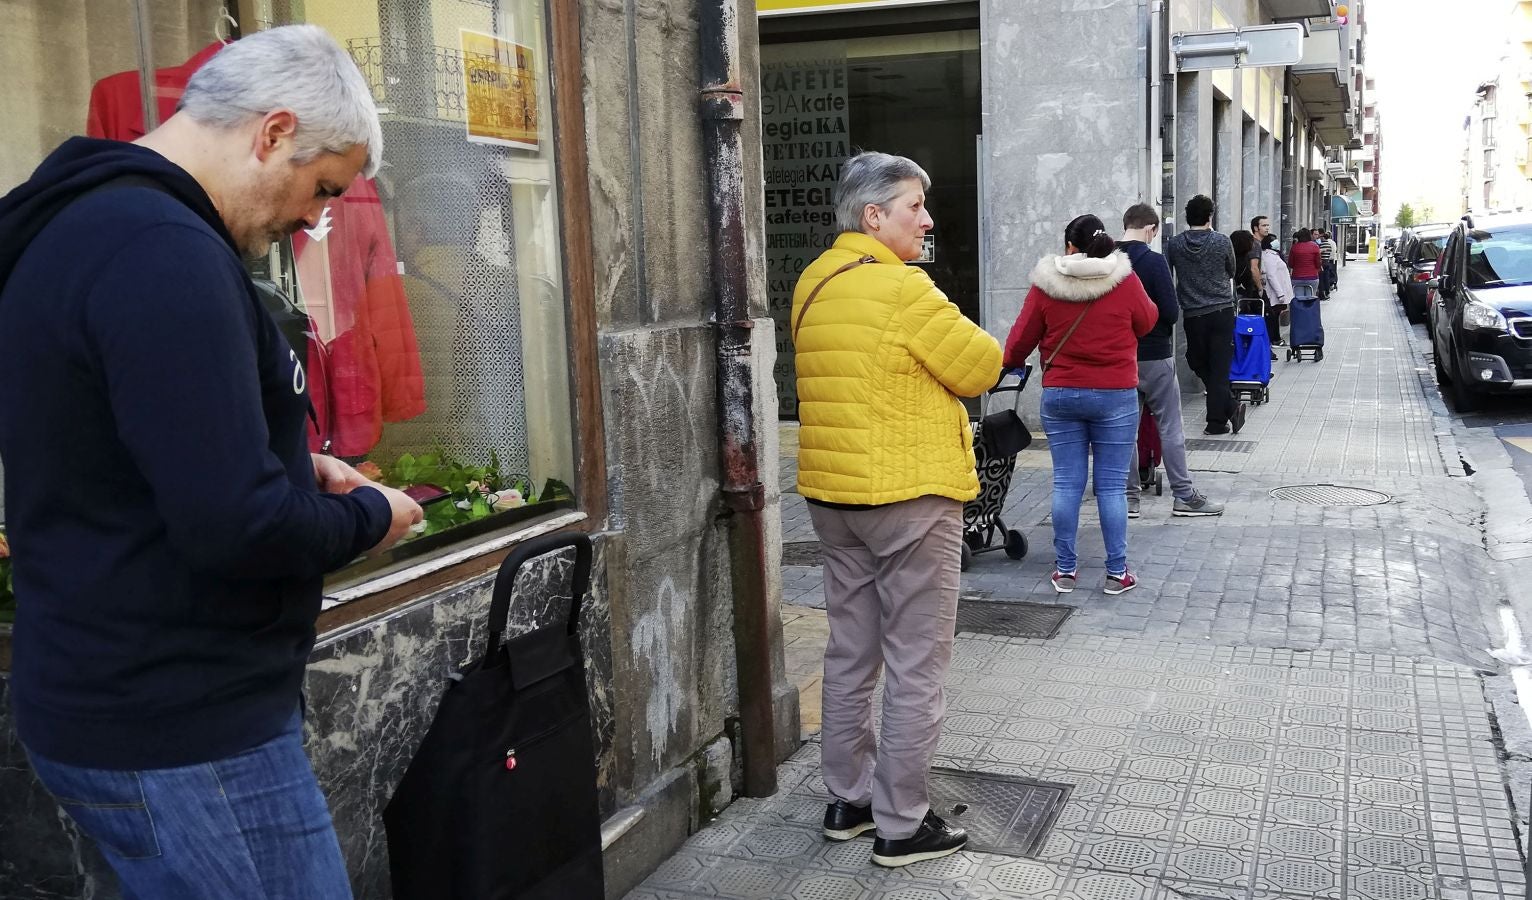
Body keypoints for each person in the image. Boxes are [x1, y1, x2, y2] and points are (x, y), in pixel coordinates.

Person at [0, 26, 424, 899]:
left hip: (121, 693)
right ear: (271, 133)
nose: (315, 218)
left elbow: (113, 446)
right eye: (322, 188)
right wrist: (374, 517)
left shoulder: (91, 224)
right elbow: (238, 526)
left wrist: (279, 460)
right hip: (185, 724)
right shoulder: (163, 253)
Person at [793, 151, 1001, 868]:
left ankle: (847, 800)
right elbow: (981, 365)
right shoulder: (905, 290)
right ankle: (902, 825)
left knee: (850, 653)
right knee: (917, 664)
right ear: (873, 216)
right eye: (916, 205)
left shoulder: (812, 284)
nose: (929, 218)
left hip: (833, 497)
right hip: (910, 499)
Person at [1004, 214, 1157, 595]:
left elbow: (1020, 342)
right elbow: (1148, 321)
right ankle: (1116, 573)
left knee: (1067, 484)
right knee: (1111, 488)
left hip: (1061, 394)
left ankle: (1066, 571)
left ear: (1069, 246)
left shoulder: (1046, 285)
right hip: (1115, 395)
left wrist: (1010, 363)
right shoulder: (1124, 279)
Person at [1118, 204, 1226, 519]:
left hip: (1120, 359)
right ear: (1151, 229)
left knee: (1125, 432)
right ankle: (1184, 496)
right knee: (1170, 427)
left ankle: (1128, 499)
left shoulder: (1106, 261)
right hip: (1155, 357)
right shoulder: (1153, 262)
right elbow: (1170, 311)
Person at [1165, 194, 1246, 435]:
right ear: (1210, 216)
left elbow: (1169, 274)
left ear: (1187, 216)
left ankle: (1217, 421)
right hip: (1222, 310)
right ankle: (1229, 407)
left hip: (1193, 314)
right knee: (1219, 367)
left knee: (1197, 360)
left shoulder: (1175, 244)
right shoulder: (1222, 241)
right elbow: (1231, 270)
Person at [1261, 233, 1294, 345]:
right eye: (1273, 240)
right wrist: (1280, 294)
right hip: (1275, 293)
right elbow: (1271, 276)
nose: (1277, 242)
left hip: (1278, 291)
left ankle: (1275, 338)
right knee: (1273, 317)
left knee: (1276, 316)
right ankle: (1275, 339)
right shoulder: (1268, 256)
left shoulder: (1274, 255)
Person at [1289, 228, 1323, 303]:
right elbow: (1318, 263)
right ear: (1309, 236)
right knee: (1311, 300)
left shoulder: (1294, 247)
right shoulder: (1315, 246)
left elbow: (1290, 264)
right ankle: (1309, 314)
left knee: (1298, 300)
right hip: (1312, 277)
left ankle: (1300, 314)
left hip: (1297, 278)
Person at [1318, 228, 1339, 299]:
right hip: (1328, 262)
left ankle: (1322, 293)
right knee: (1327, 278)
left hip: (1322, 263)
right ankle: (1327, 292)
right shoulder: (1330, 245)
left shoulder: (1321, 245)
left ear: (1323, 237)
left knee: (1321, 279)